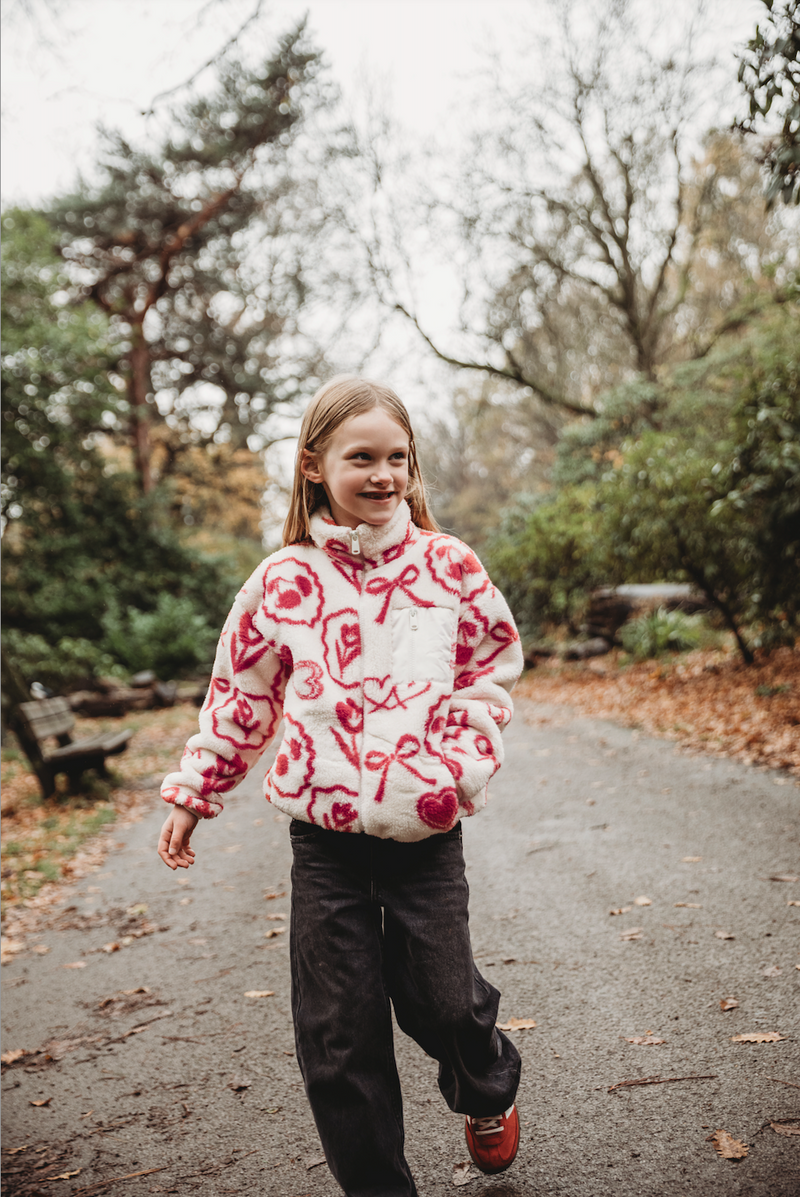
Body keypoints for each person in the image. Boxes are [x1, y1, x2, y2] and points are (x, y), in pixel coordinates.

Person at [157, 376, 524, 1197]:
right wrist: (194, 789)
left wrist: (459, 762)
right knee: (337, 1033)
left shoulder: (448, 566)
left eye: (399, 457)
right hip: (324, 843)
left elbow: (490, 669)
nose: (386, 473)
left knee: (445, 1000)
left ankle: (485, 1083)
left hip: (425, 832)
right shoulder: (282, 581)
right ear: (315, 464)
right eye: (363, 457)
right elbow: (240, 696)